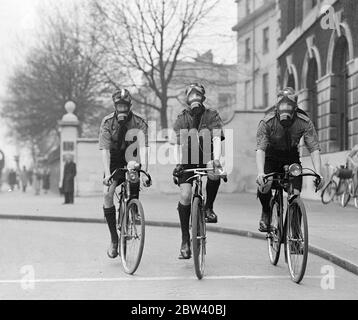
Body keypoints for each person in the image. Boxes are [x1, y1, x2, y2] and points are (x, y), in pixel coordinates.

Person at [255, 87, 325, 232]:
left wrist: (319, 173)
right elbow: (261, 148)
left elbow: (314, 148)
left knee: (295, 194)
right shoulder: (267, 121)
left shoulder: (304, 121)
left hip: (291, 156)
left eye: (289, 106)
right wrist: (261, 172)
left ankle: (294, 233)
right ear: (276, 106)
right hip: (271, 156)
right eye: (282, 106)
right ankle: (266, 213)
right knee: (265, 184)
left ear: (295, 107)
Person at [171, 83, 225, 259]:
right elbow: (177, 144)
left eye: (198, 95)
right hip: (187, 160)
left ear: (203, 98)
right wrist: (178, 163)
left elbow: (217, 138)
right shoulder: (182, 118)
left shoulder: (211, 115)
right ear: (187, 100)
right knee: (186, 196)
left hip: (207, 156)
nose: (195, 98)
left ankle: (208, 207)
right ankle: (185, 240)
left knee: (213, 171)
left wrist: (216, 159)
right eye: (191, 96)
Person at [99, 88, 151, 259]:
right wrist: (107, 175)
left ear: (130, 105)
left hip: (132, 156)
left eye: (125, 106)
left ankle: (134, 206)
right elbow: (104, 150)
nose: (122, 109)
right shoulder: (107, 122)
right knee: (107, 194)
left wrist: (145, 172)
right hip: (114, 158)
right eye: (118, 106)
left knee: (134, 173)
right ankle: (114, 239)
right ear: (115, 106)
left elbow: (144, 148)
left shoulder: (139, 122)